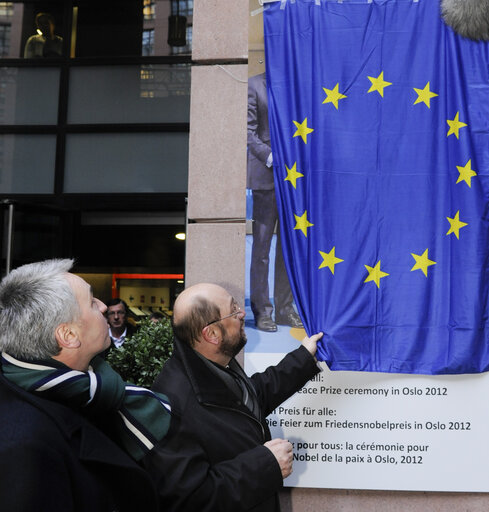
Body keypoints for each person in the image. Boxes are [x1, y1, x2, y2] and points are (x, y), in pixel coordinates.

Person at [0, 259, 171, 511]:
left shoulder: (90, 391)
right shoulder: (26, 448)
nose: (103, 306)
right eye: (92, 302)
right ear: (69, 336)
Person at [143, 282, 323, 512]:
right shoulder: (172, 404)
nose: (242, 313)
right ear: (212, 334)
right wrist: (266, 465)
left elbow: (251, 399)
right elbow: (191, 499)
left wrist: (304, 357)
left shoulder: (210, 366)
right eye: (233, 309)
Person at [247, 72, 303, 332]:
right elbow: (248, 132)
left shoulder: (297, 83)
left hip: (296, 179)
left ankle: (284, 308)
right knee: (261, 250)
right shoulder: (254, 85)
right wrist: (271, 157)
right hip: (266, 176)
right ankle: (262, 310)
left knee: (289, 249)